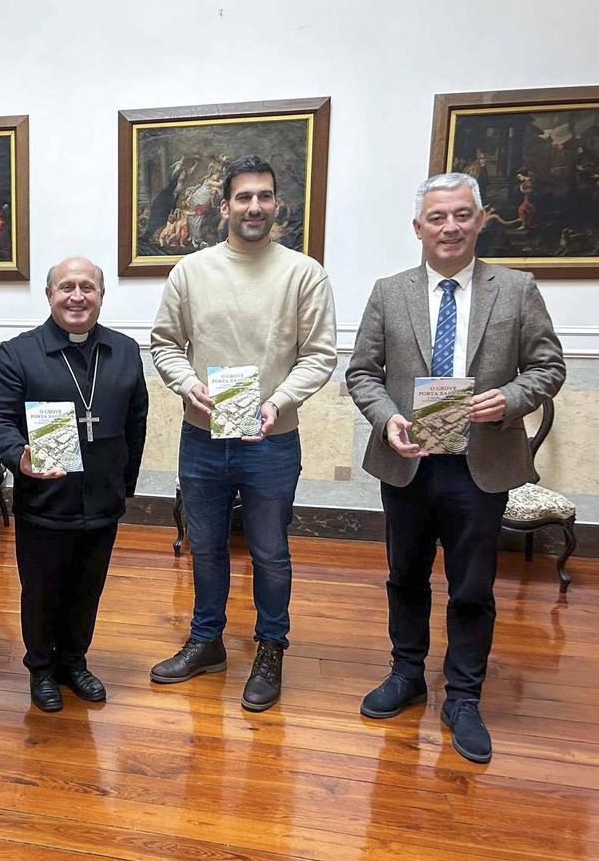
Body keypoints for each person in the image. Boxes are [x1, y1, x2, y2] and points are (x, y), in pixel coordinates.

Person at [345, 172, 565, 763]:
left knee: (472, 586)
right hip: (409, 463)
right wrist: (387, 418)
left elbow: (549, 367)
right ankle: (407, 673)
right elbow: (362, 373)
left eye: (462, 215)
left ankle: (464, 696)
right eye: (437, 217)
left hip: (480, 466)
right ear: (419, 227)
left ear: (481, 219)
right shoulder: (389, 292)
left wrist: (512, 399)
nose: (450, 226)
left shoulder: (516, 290)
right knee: (405, 576)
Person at [149, 154, 337, 712]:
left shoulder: (304, 273)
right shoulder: (190, 272)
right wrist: (187, 386)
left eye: (264, 196)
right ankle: (207, 641)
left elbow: (319, 355)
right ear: (224, 205)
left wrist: (277, 404)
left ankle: (270, 647)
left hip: (272, 439)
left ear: (276, 204)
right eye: (243, 197)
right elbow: (163, 343)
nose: (254, 206)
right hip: (202, 436)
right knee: (205, 548)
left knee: (270, 553)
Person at [0, 257, 148, 712]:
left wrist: (124, 486)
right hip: (45, 500)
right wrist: (19, 457)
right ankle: (40, 669)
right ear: (50, 295)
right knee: (42, 589)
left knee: (87, 588)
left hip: (102, 499)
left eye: (88, 287)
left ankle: (74, 662)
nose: (77, 296)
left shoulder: (125, 350)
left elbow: (137, 422)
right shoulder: (19, 353)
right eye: (67, 287)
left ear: (101, 295)